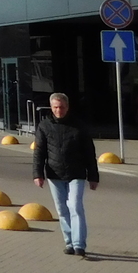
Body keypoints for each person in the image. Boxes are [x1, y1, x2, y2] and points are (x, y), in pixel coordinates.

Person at [32, 93, 100, 257]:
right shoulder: (44, 126)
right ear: (51, 107)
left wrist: (93, 176)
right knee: (62, 210)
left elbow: (89, 152)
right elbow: (39, 152)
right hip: (54, 174)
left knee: (75, 206)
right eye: (55, 107)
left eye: (61, 107)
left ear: (67, 107)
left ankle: (79, 245)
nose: (58, 110)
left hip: (76, 173)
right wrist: (38, 174)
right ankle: (69, 242)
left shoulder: (79, 126)